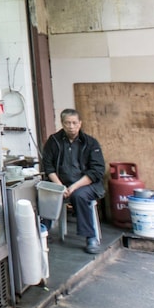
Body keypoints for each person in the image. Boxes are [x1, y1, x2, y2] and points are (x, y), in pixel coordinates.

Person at [41, 108, 106, 254]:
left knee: (79, 195)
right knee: (46, 192)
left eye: (74, 123)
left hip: (86, 184)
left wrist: (74, 186)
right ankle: (44, 231)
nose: (71, 126)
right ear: (62, 123)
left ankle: (90, 237)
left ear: (80, 123)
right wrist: (60, 186)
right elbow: (48, 166)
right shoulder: (54, 141)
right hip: (60, 182)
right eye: (67, 123)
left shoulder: (90, 143)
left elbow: (97, 171)